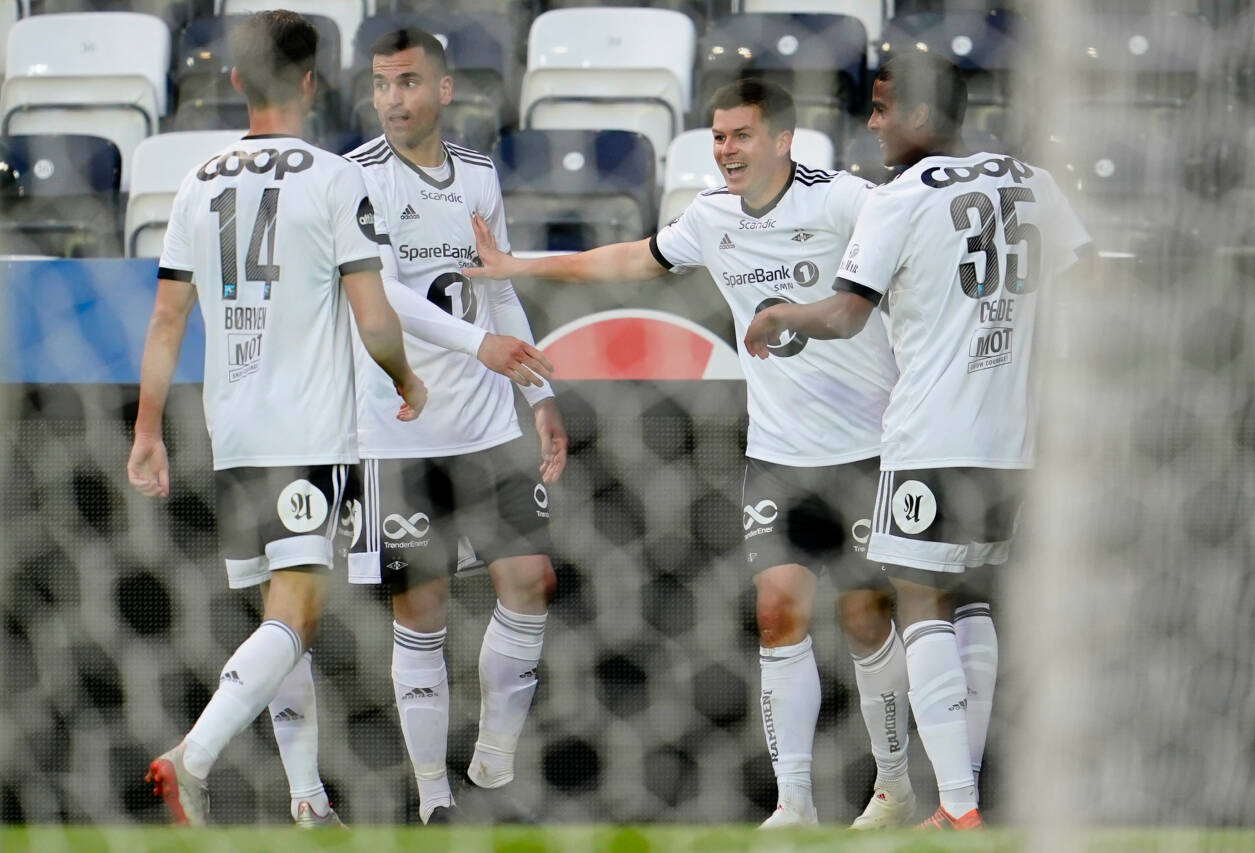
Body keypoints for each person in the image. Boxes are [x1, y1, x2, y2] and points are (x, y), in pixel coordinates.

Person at [466, 78, 916, 829]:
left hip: (866, 449)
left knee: (866, 617)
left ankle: (895, 786)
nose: (726, 150)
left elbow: (909, 254)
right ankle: (794, 802)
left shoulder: (843, 199)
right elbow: (629, 259)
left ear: (782, 139)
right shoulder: (710, 216)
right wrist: (519, 266)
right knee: (778, 613)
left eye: (741, 135)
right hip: (777, 451)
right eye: (717, 136)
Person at [745, 53, 1093, 829]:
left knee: (921, 599)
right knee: (972, 601)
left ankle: (960, 810)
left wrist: (777, 317)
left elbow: (844, 314)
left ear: (924, 115)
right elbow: (1089, 280)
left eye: (882, 108)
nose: (872, 125)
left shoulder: (899, 198)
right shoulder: (1036, 180)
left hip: (934, 433)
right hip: (1019, 442)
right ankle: (961, 801)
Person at [125, 10, 429, 827]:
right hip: (310, 435)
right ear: (311, 81)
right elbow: (372, 318)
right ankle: (192, 755)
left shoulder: (197, 181)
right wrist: (406, 379)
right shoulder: (334, 178)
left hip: (235, 437)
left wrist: (148, 428)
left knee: (277, 614)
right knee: (297, 613)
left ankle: (306, 798)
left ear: (233, 81)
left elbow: (164, 321)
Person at [264, 27, 564, 825]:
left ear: (443, 88)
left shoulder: (477, 174)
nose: (392, 99)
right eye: (380, 84)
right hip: (396, 428)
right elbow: (383, 294)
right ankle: (435, 796)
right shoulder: (353, 178)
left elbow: (495, 287)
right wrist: (480, 345)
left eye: (406, 82)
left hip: (486, 423)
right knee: (420, 609)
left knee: (531, 579)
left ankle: (495, 758)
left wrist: (538, 395)